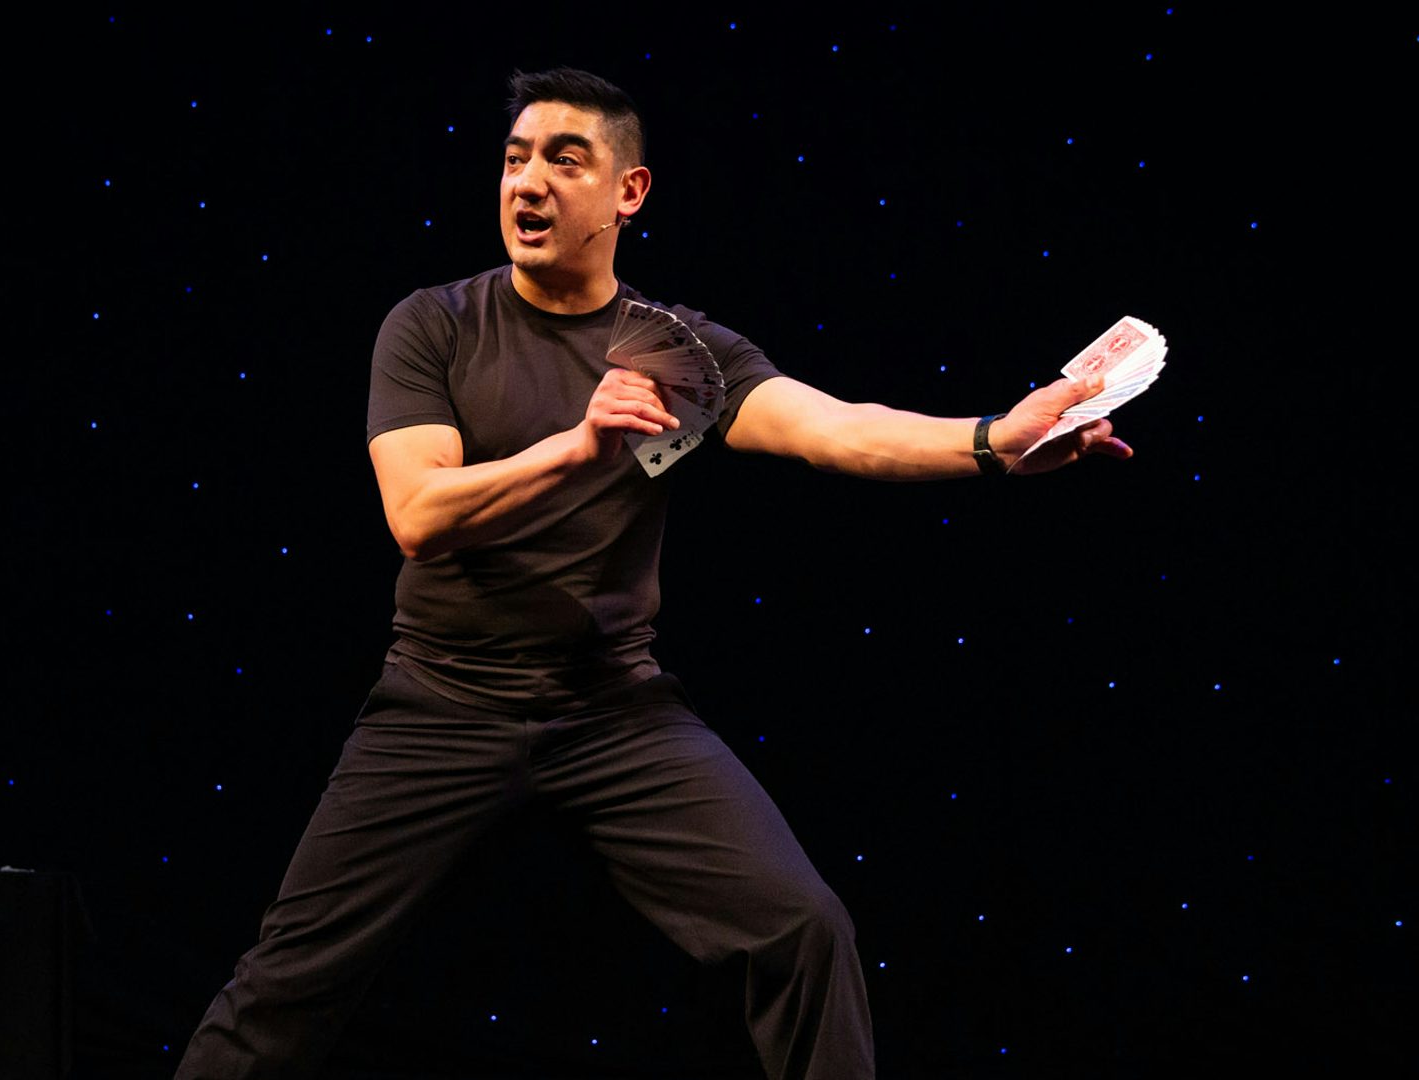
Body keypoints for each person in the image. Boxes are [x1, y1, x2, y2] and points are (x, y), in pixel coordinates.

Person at [175, 67, 1131, 1080]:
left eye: (563, 160)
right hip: (442, 703)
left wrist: (991, 439)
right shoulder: (435, 326)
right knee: (285, 986)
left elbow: (836, 429)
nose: (527, 184)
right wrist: (578, 447)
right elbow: (419, 516)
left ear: (628, 193)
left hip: (613, 711)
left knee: (805, 932)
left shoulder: (681, 353)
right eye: (514, 160)